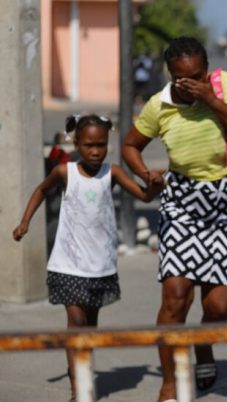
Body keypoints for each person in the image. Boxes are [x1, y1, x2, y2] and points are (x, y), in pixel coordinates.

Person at [121, 36, 227, 402]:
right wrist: (145, 174)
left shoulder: (223, 86)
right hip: (181, 205)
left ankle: (203, 347)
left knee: (218, 307)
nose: (192, 83)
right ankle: (169, 381)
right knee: (175, 299)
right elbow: (130, 144)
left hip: (223, 205)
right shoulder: (159, 105)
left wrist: (211, 98)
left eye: (198, 75)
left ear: (207, 69)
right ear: (170, 75)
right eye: (184, 79)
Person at [12, 114, 163, 401]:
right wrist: (25, 222)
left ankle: (83, 371)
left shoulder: (113, 173)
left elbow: (144, 197)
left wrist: (154, 182)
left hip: (100, 266)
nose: (96, 151)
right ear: (77, 143)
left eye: (102, 145)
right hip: (68, 263)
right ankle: (78, 388)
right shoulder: (64, 172)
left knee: (89, 329)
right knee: (76, 321)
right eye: (89, 145)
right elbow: (41, 190)